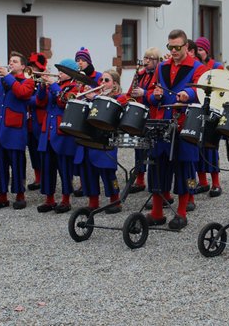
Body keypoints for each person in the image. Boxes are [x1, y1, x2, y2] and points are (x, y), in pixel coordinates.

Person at [144, 29, 209, 230]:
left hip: (184, 125)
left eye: (177, 47)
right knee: (156, 167)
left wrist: (187, 94)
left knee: (184, 168)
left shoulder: (198, 67)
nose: (173, 51)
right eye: (170, 47)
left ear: (187, 47)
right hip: (162, 123)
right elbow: (148, 93)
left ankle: (181, 213)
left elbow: (202, 92)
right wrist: (154, 95)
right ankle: (156, 212)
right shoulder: (161, 67)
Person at [0, 51, 35, 210]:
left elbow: (23, 93)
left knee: (17, 164)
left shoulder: (27, 81)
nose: (11, 63)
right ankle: (2, 196)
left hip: (15, 129)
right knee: (0, 165)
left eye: (15, 61)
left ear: (23, 66)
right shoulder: (2, 81)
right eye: (10, 61)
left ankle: (20, 196)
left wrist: (7, 77)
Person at [75, 69, 128, 213]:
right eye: (101, 80)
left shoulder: (120, 98)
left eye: (106, 80)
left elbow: (113, 111)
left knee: (107, 171)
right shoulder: (95, 95)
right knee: (88, 170)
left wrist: (95, 99)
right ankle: (93, 201)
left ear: (115, 84)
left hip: (106, 138)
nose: (102, 83)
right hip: (90, 137)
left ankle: (115, 201)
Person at [36, 58, 80, 214]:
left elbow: (63, 102)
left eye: (62, 71)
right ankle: (49, 199)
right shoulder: (56, 86)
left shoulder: (76, 87)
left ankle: (66, 199)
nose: (59, 73)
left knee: (64, 167)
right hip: (47, 130)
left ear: (71, 73)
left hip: (63, 132)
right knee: (47, 167)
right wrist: (42, 86)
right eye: (59, 70)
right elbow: (40, 102)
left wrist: (52, 85)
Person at [126, 47, 161, 194]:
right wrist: (129, 99)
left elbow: (160, 94)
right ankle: (140, 180)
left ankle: (156, 183)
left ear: (157, 61)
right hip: (140, 116)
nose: (146, 61)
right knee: (139, 147)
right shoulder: (139, 75)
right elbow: (129, 94)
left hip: (154, 115)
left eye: (150, 58)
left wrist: (144, 93)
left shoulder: (160, 75)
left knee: (154, 150)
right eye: (145, 58)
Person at [194, 36, 224, 198]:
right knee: (197, 145)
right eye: (196, 49)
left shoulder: (216, 66)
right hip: (198, 109)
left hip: (213, 110)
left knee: (210, 147)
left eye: (201, 49)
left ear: (206, 51)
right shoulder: (194, 66)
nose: (198, 53)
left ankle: (216, 183)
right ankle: (202, 182)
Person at [72, 47, 102, 197]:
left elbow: (104, 93)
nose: (80, 63)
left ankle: (95, 184)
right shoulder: (77, 77)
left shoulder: (99, 76)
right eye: (77, 60)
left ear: (88, 61)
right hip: (81, 114)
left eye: (82, 60)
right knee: (80, 150)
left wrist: (93, 93)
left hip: (95, 115)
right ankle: (83, 183)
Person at [26, 53, 48, 191]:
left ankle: (46, 179)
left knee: (43, 152)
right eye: (31, 66)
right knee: (33, 151)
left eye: (35, 67)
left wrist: (26, 99)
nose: (32, 69)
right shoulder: (28, 80)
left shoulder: (44, 82)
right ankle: (38, 178)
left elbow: (41, 101)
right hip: (29, 121)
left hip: (41, 121)